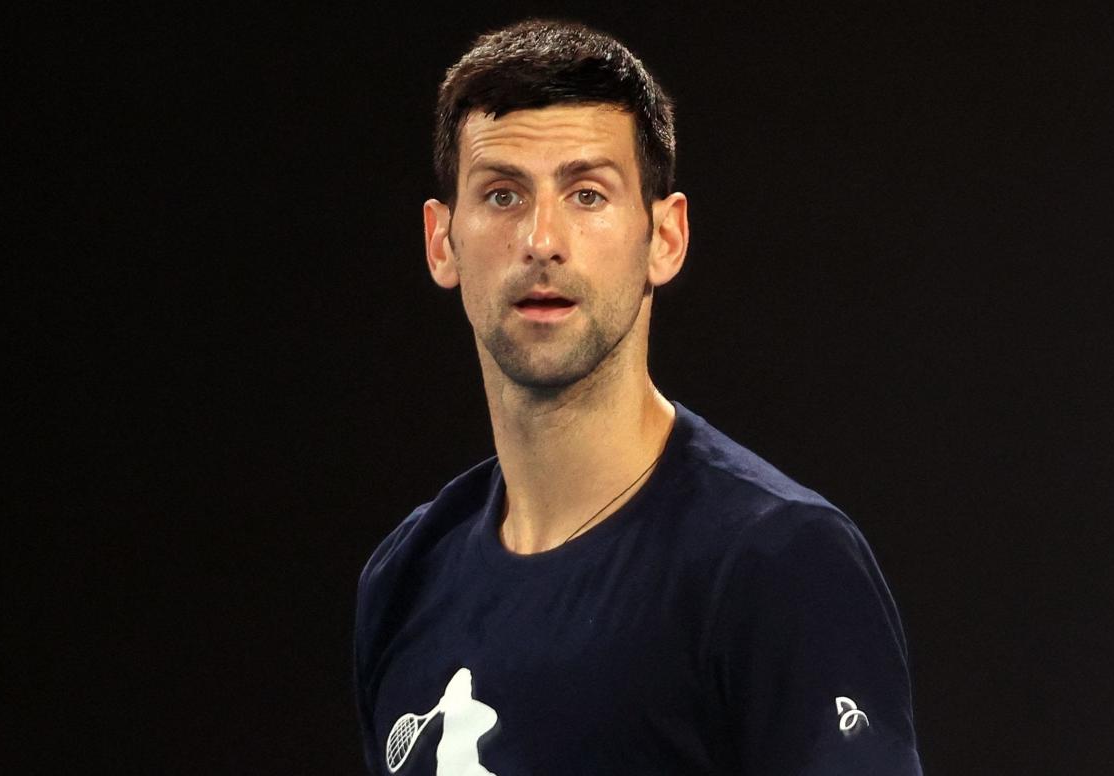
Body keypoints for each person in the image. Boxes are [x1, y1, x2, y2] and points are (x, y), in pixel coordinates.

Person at [355, 19, 922, 775]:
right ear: (441, 241)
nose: (542, 239)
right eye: (501, 195)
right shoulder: (406, 578)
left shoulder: (777, 566)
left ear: (666, 236)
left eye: (588, 194)